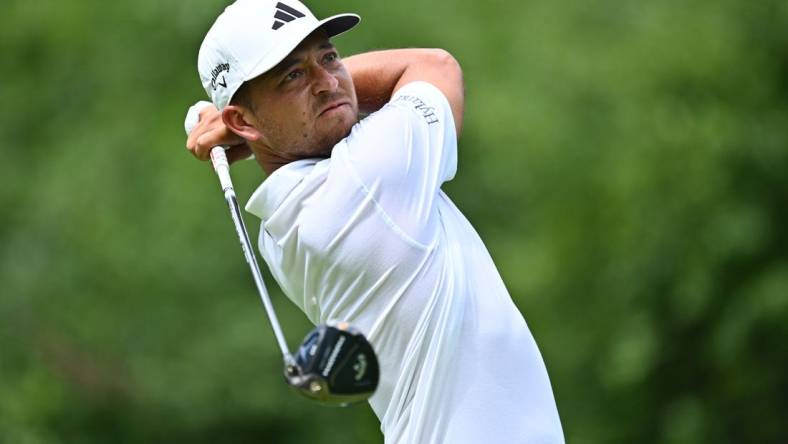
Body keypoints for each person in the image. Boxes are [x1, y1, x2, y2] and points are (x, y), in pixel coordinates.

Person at [186, 0, 564, 442]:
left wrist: (253, 125)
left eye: (329, 56)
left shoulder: (278, 226)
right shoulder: (369, 177)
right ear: (240, 121)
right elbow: (433, 65)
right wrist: (243, 130)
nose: (328, 82)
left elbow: (302, 121)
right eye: (292, 75)